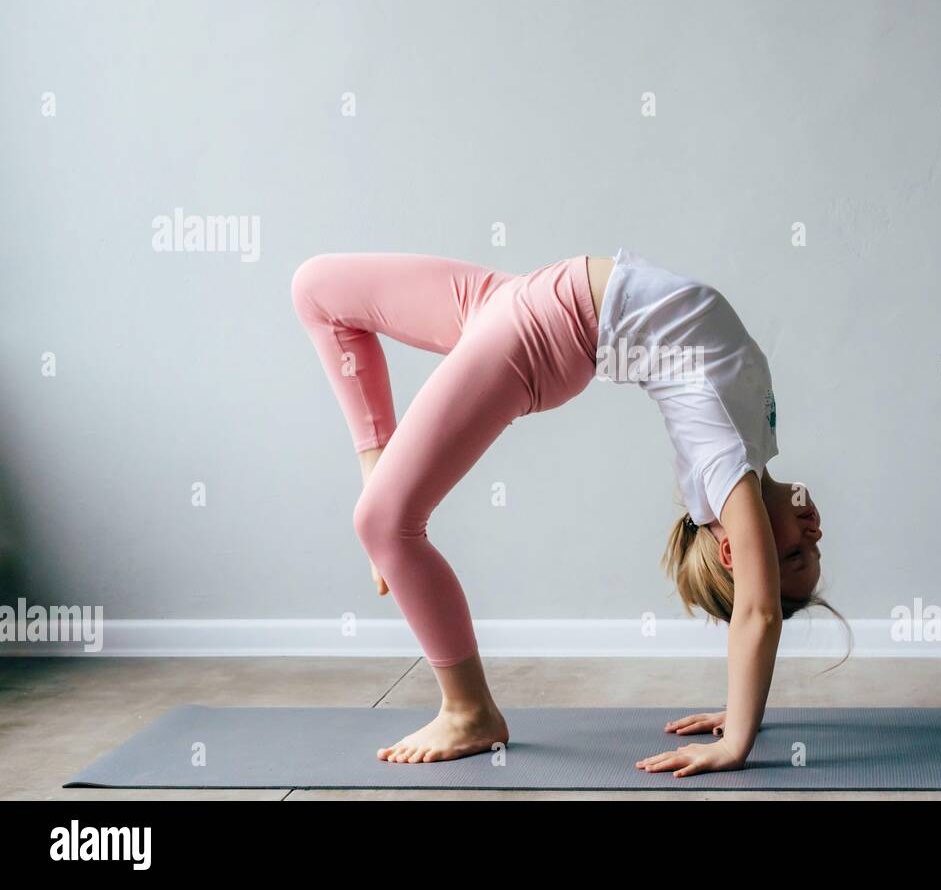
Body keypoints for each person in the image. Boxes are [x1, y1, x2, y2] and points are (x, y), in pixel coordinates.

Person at [291, 247, 841, 778]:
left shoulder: (724, 466)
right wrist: (739, 712)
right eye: (813, 548)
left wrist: (738, 741)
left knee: (383, 525)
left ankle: (469, 712)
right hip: (523, 297)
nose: (814, 532)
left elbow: (758, 613)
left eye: (793, 552)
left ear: (737, 551)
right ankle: (377, 469)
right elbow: (758, 605)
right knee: (316, 288)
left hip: (533, 337)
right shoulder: (755, 444)